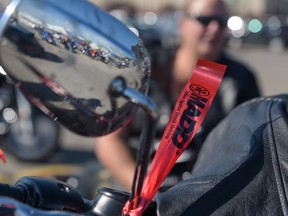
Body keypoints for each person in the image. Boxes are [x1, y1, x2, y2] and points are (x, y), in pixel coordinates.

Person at [94, 0, 261, 191]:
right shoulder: (146, 68)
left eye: (222, 22)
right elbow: (109, 141)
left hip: (203, 198)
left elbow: (253, 152)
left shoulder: (240, 80)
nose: (214, 29)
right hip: (137, 194)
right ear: (182, 23)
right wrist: (146, 192)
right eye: (205, 20)